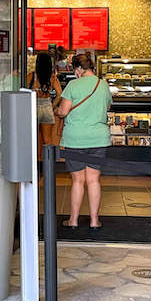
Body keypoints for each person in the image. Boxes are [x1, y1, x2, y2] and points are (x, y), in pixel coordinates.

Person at [56, 53, 112, 229]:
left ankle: (73, 221)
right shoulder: (103, 85)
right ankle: (95, 221)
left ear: (79, 69)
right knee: (94, 180)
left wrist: (57, 111)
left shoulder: (73, 85)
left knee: (78, 180)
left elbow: (63, 111)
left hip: (76, 139)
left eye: (75, 70)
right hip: (98, 137)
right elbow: (108, 106)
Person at [29, 53, 63, 158]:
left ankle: (33, 167)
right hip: (47, 107)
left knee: (32, 140)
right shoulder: (52, 78)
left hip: (33, 107)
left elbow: (24, 91)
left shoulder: (31, 76)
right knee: (47, 140)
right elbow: (59, 94)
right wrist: (52, 106)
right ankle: (48, 167)